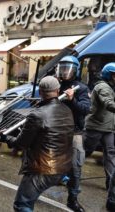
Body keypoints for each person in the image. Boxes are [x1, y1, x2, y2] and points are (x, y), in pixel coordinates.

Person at [0, 76, 74, 212]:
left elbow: (21, 144)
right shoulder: (67, 111)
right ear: (58, 91)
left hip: (43, 169)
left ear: (40, 93)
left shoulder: (36, 115)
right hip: (64, 167)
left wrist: (5, 138)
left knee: (22, 204)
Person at [56, 56, 90, 212]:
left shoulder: (81, 88)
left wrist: (72, 99)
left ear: (75, 70)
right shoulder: (56, 86)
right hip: (57, 130)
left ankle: (73, 199)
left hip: (75, 131)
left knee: (75, 167)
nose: (64, 72)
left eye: (67, 68)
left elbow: (85, 109)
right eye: (62, 68)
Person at [84, 62, 115, 193]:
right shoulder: (103, 87)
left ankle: (111, 183)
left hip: (108, 128)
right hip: (95, 127)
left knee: (110, 154)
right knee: (85, 152)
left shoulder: (112, 86)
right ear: (109, 75)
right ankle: (65, 175)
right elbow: (109, 103)